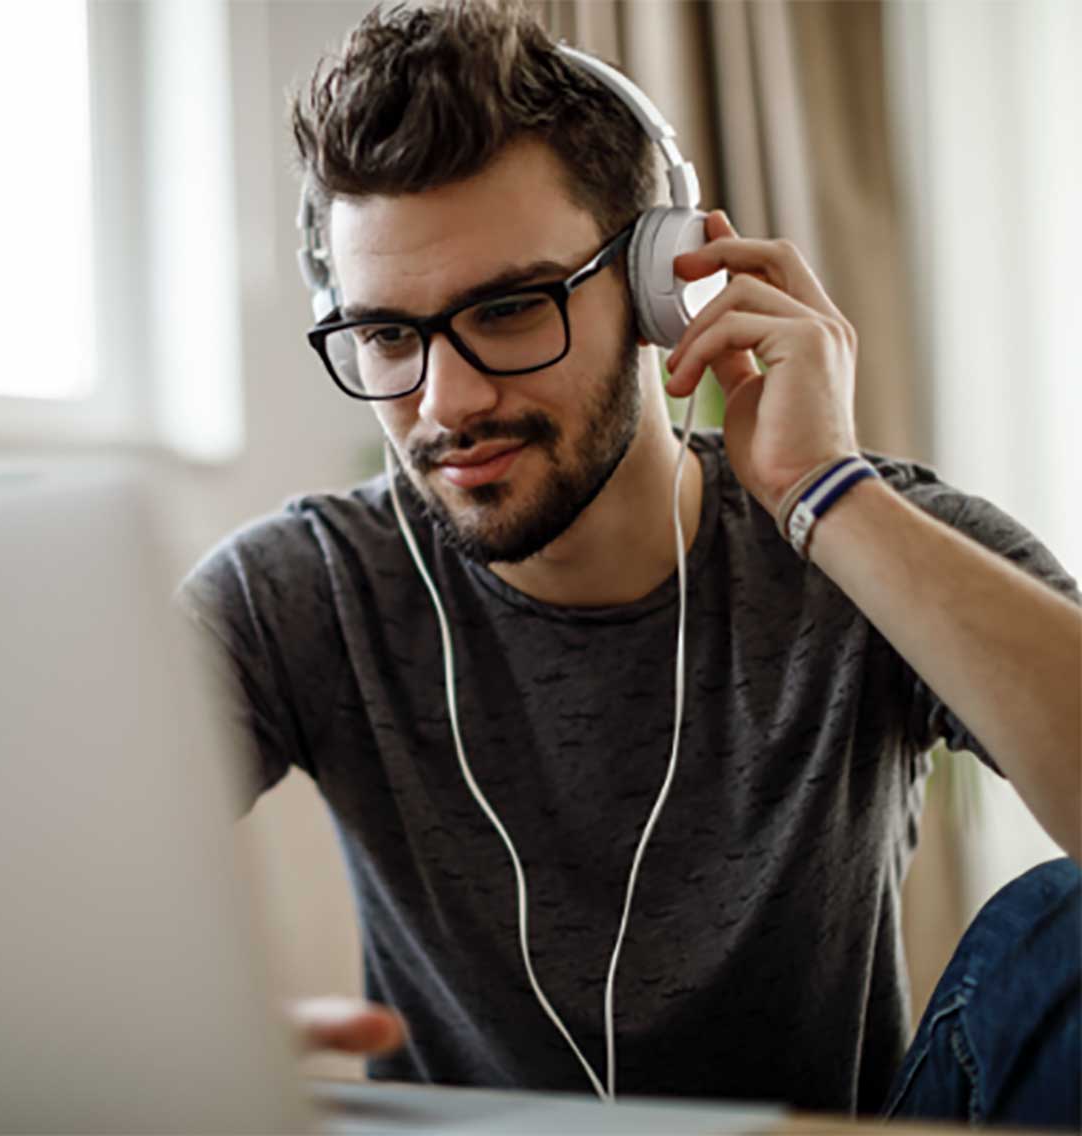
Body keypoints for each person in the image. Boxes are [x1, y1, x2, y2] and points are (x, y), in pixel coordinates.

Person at [181, 0, 1081, 1122]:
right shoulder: (300, 589)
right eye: (387, 335)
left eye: (509, 308)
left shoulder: (862, 535)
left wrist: (820, 491)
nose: (445, 402)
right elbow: (28, 867)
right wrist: (167, 1024)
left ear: (667, 287)